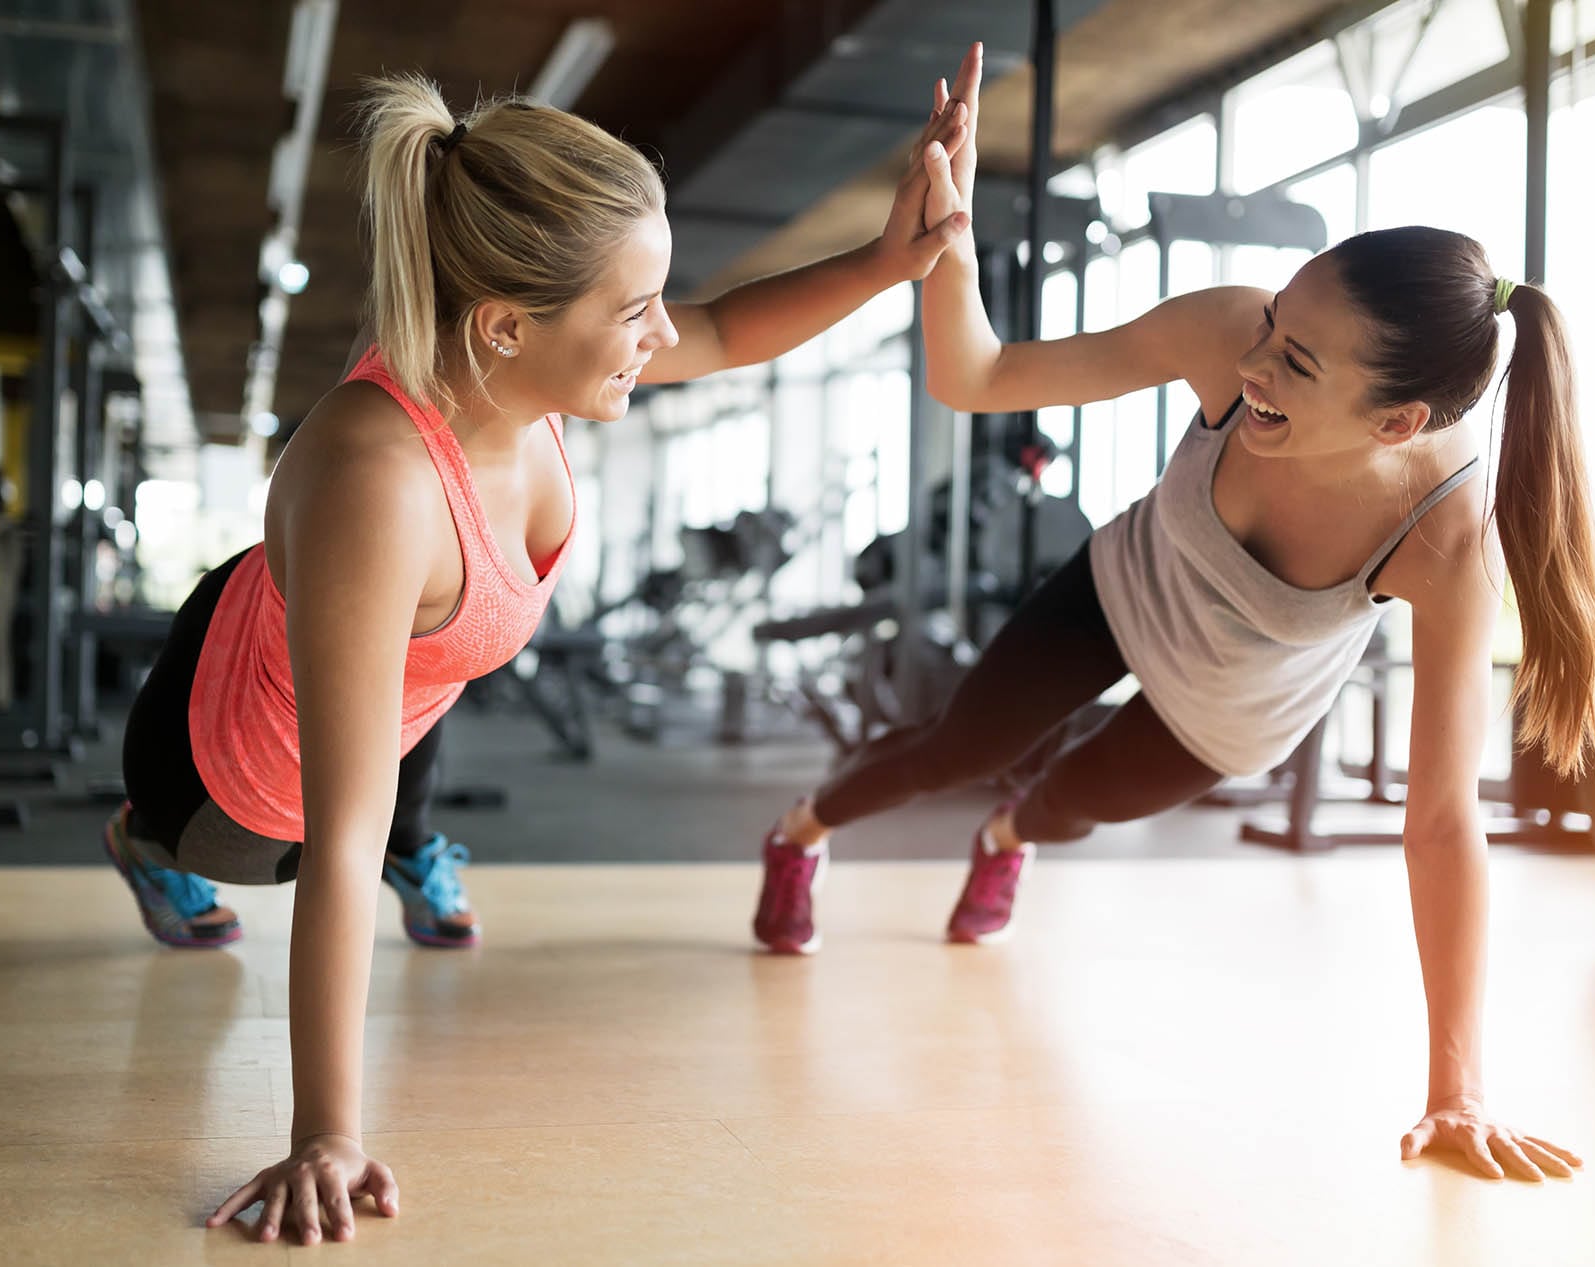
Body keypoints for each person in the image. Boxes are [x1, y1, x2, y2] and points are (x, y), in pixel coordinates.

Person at [101, 75, 971, 1244]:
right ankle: (143, 845)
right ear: (506, 323)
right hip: (224, 756)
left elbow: (716, 331)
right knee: (282, 849)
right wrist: (324, 1130)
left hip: (399, 667)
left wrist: (887, 260)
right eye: (637, 309)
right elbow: (338, 841)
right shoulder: (381, 484)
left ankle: (376, 808)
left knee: (400, 749)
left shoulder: (523, 364)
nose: (662, 332)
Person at [751, 43, 1595, 1184]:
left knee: (1059, 807)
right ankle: (799, 833)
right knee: (953, 747)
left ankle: (1003, 841)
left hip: (1230, 709)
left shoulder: (1446, 541)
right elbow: (976, 376)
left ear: (1395, 422)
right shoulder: (1227, 336)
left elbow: (1439, 821)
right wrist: (949, 240)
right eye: (1273, 321)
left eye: (1295, 363)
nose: (1255, 361)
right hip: (1124, 589)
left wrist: (1455, 1089)